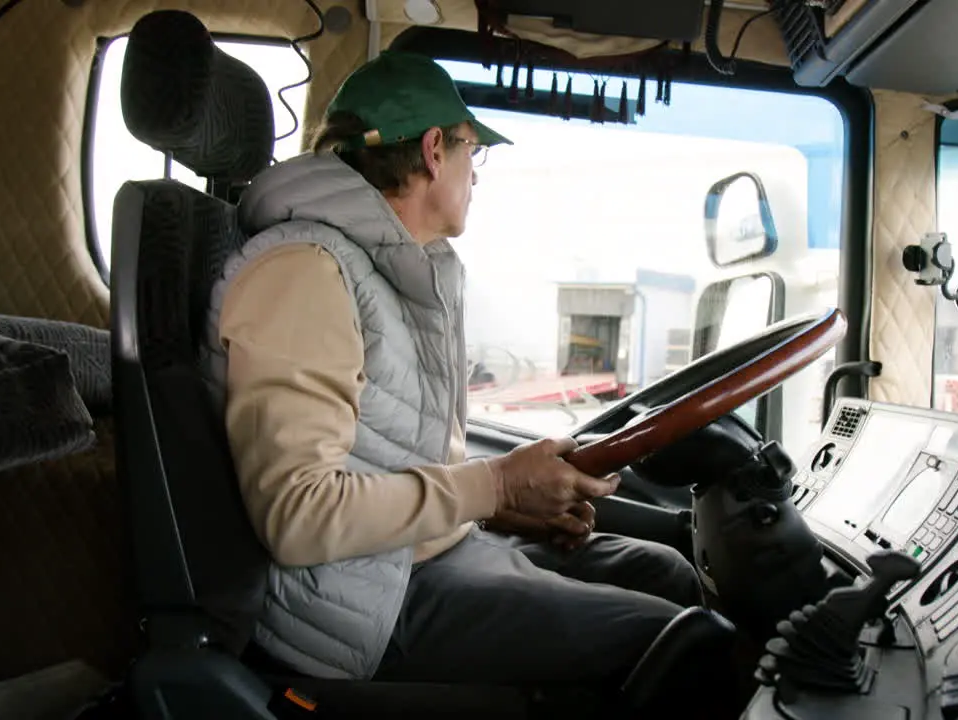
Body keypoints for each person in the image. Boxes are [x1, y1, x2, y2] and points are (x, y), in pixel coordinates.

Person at [200, 50, 704, 689]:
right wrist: (493, 488)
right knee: (683, 650)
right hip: (359, 605)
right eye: (474, 152)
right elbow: (298, 515)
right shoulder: (304, 273)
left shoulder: (393, 270)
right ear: (435, 150)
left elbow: (389, 458)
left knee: (668, 576)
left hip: (421, 555)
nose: (476, 174)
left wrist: (497, 507)